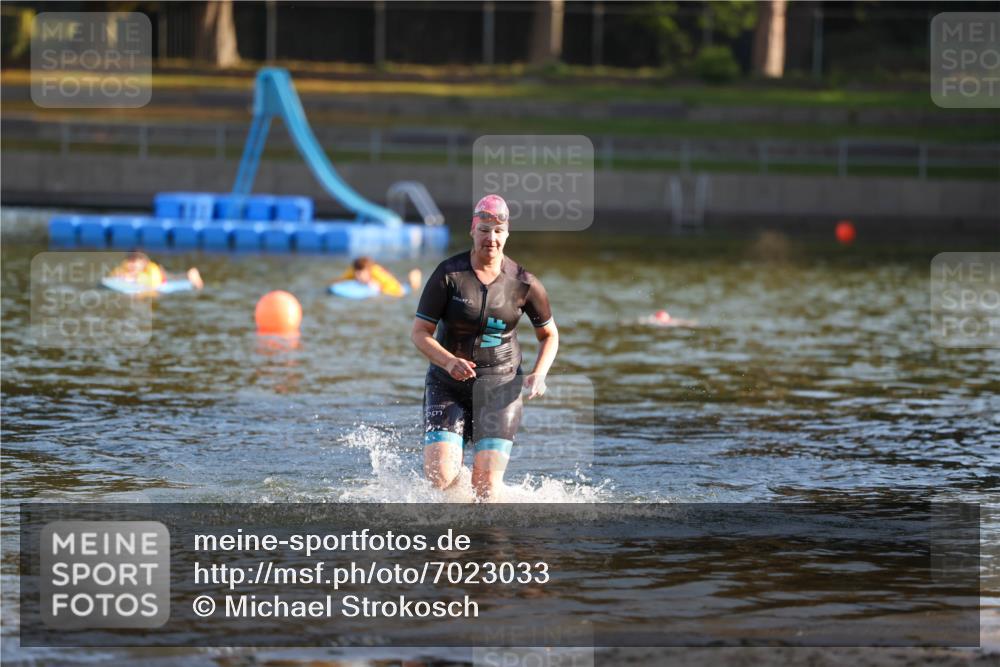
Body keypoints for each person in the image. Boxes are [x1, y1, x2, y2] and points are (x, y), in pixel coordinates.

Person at [410, 194, 559, 501]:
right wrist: (449, 361)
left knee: (486, 491)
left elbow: (549, 335)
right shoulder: (449, 275)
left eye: (498, 231)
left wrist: (539, 374)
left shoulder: (525, 284)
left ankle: (484, 546)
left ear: (507, 234)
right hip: (447, 384)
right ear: (472, 231)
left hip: (501, 388)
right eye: (484, 230)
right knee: (440, 480)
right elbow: (420, 332)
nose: (491, 238)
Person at [108, 251, 203, 290]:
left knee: (177, 277)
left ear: (144, 263)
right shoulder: (124, 267)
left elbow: (152, 284)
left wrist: (133, 277)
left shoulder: (152, 270)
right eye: (130, 262)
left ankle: (191, 273)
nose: (132, 265)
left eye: (135, 262)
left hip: (163, 277)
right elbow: (112, 277)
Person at [334, 256, 422, 297]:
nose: (358, 277)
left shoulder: (376, 273)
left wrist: (379, 289)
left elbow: (397, 291)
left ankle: (413, 278)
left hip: (399, 288)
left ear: (368, 272)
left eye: (360, 274)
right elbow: (338, 282)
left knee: (411, 285)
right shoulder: (353, 270)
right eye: (356, 274)